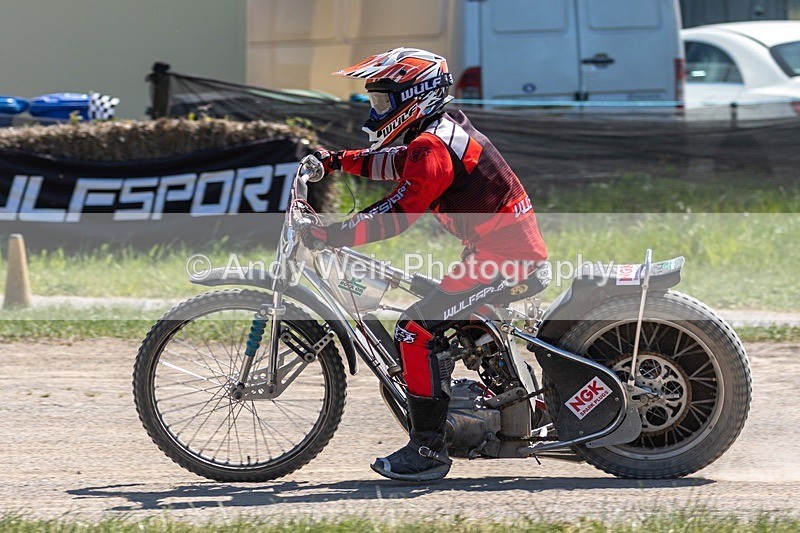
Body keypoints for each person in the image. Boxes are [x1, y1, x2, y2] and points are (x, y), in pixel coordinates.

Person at [301, 48, 548, 482]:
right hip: (498, 253)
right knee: (445, 320)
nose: (376, 111)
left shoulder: (432, 143)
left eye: (383, 101)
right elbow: (393, 163)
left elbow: (399, 212)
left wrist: (332, 234)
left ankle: (429, 449)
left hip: (505, 260)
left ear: (414, 96)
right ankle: (522, 405)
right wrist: (337, 160)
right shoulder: (437, 133)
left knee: (414, 329)